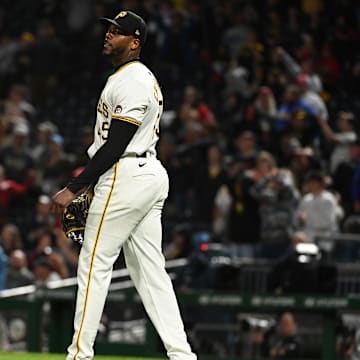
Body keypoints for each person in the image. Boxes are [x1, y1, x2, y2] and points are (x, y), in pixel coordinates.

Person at [50, 10, 196, 360]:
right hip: (144, 174)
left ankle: (79, 355)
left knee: (94, 263)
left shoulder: (133, 79)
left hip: (126, 173)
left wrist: (77, 186)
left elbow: (117, 143)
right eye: (108, 30)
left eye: (118, 32)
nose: (108, 35)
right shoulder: (128, 77)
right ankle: (182, 355)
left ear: (135, 42)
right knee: (150, 272)